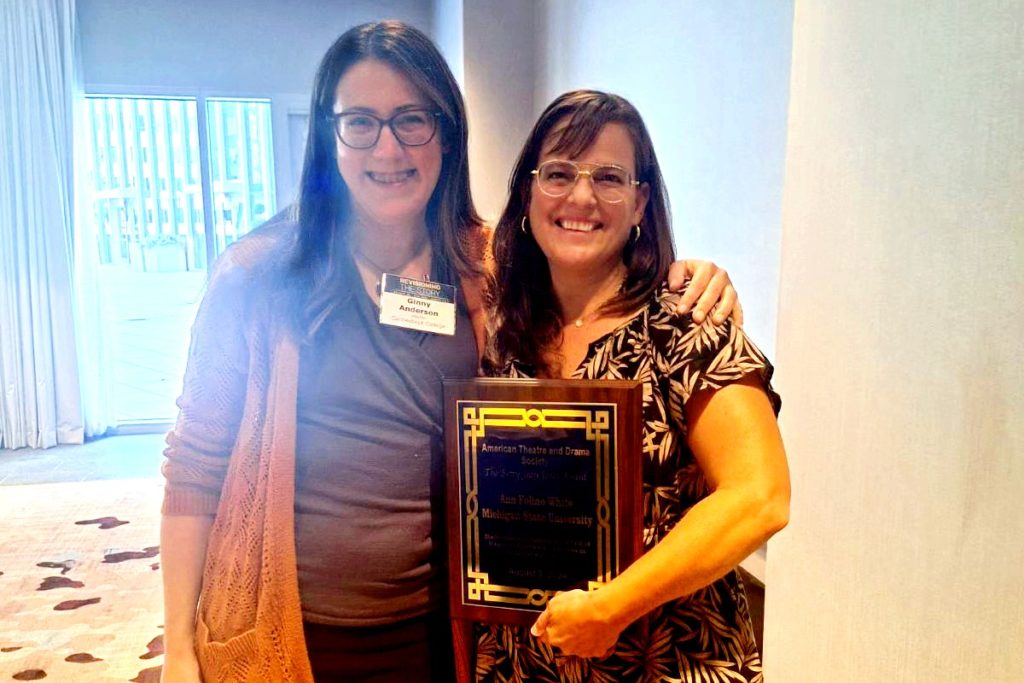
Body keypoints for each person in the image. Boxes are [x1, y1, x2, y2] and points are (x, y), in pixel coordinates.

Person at [159, 22, 742, 683]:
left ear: (447, 133)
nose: (388, 146)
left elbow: (590, 282)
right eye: (361, 122)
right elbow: (194, 465)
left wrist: (689, 277)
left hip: (444, 628)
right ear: (329, 135)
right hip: (293, 623)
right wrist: (179, 647)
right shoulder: (258, 275)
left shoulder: (490, 267)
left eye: (413, 120)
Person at [475, 90, 790, 682]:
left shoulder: (686, 322)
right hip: (527, 663)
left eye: (609, 177)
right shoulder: (504, 336)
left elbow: (760, 496)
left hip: (668, 661)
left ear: (640, 202)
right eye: (559, 173)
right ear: (526, 193)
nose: (582, 196)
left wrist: (611, 608)